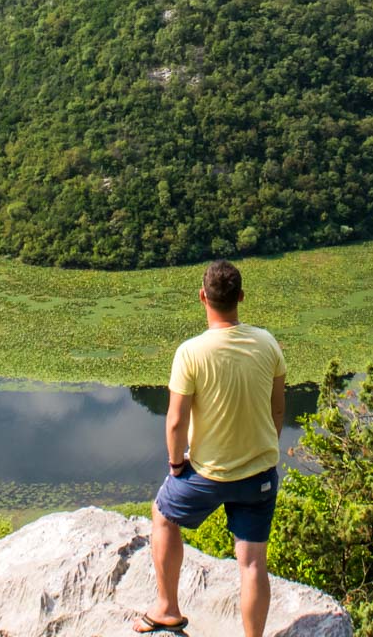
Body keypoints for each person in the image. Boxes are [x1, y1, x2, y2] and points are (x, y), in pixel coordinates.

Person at [138, 259, 288, 637]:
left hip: (207, 473)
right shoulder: (268, 343)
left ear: (202, 297)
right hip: (259, 474)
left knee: (163, 515)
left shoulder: (191, 352)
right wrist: (264, 448)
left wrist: (176, 465)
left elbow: (175, 422)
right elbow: (277, 410)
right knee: (253, 562)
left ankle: (168, 609)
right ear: (241, 297)